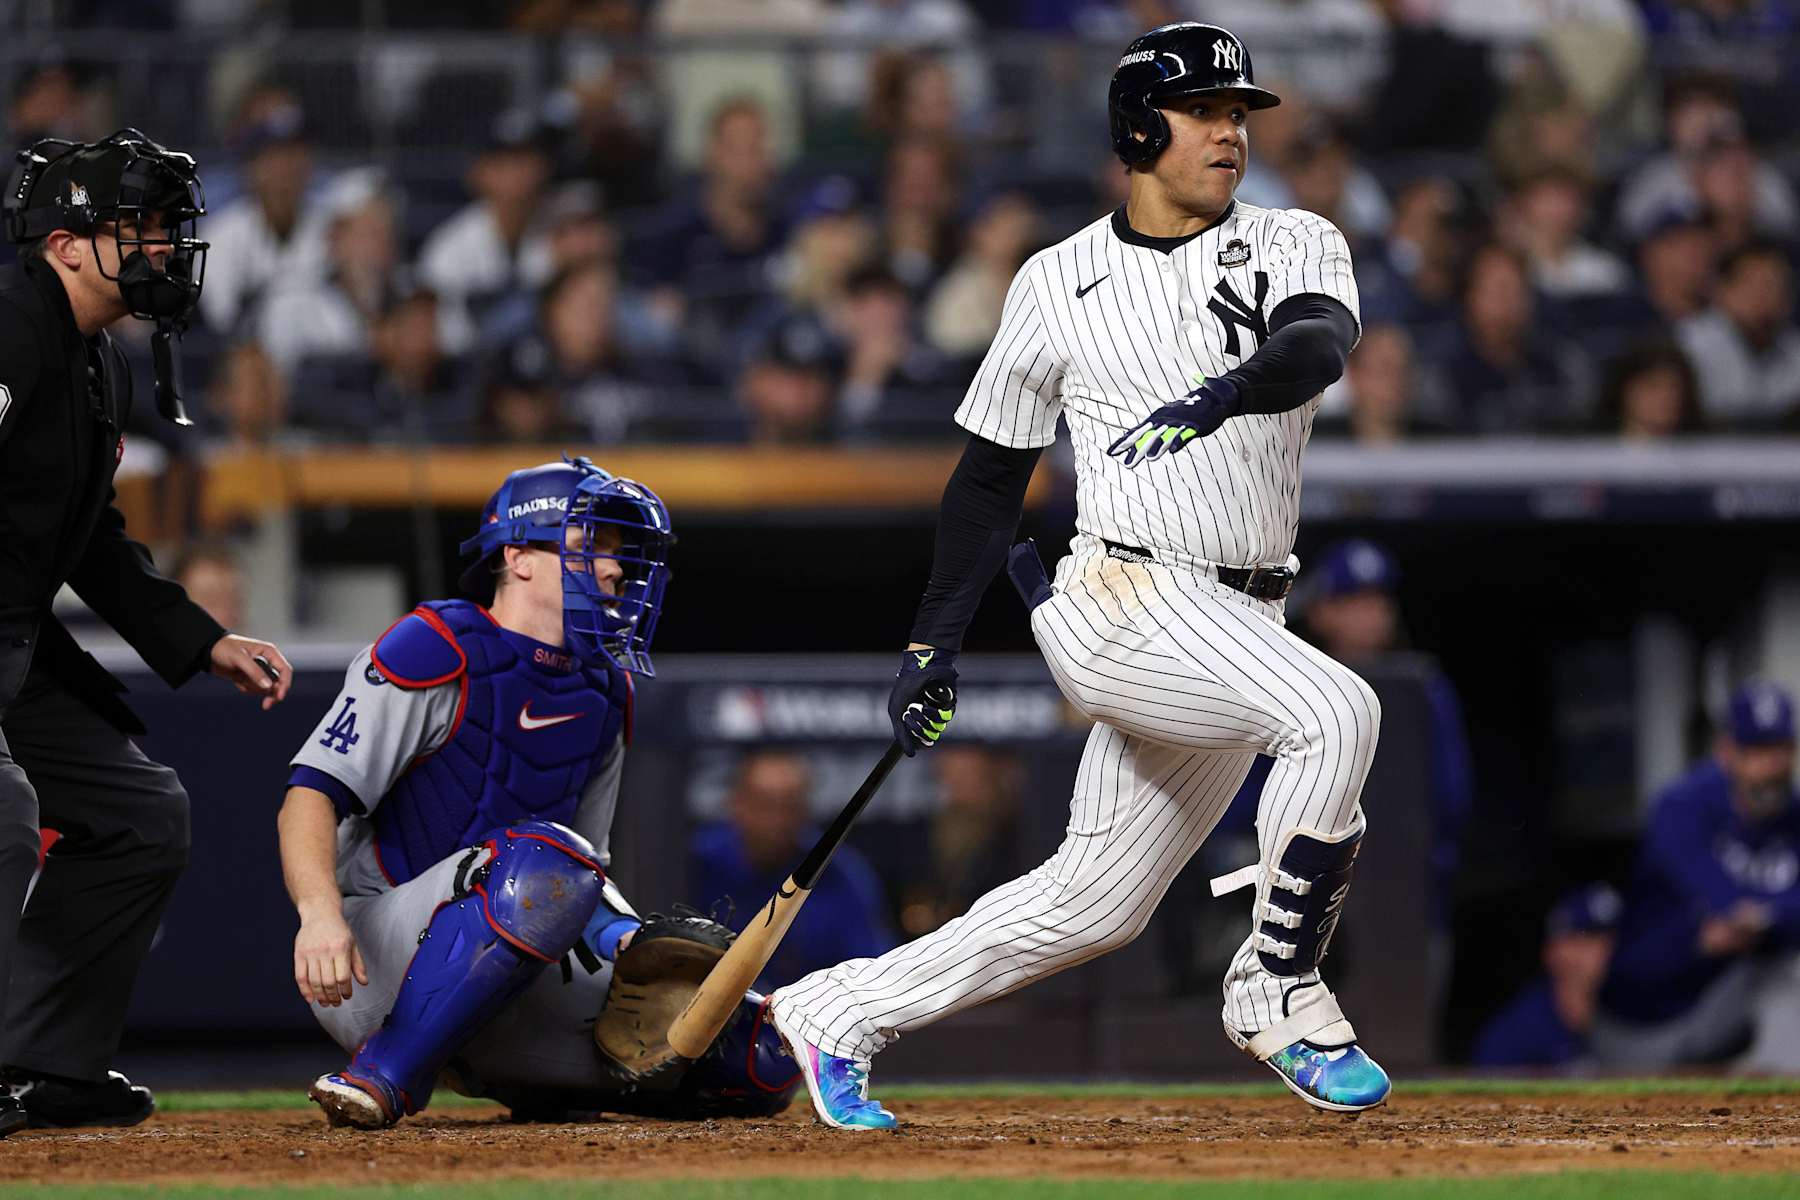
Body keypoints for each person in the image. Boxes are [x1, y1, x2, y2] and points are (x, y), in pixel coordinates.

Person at [768, 22, 1388, 1130]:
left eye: (1238, 114)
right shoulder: (1056, 281)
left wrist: (1227, 392)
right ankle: (1276, 988)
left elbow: (1315, 348)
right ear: (1139, 128)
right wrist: (931, 644)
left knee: (1089, 904)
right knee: (1337, 712)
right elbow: (987, 482)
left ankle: (833, 1012)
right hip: (1124, 599)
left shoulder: (1297, 239)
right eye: (1204, 112)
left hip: (1244, 608)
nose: (1228, 133)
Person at [277, 458, 798, 1128]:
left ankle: (547, 1083)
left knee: (758, 1052)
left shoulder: (606, 690)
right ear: (518, 556)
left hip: (515, 965)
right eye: (590, 548)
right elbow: (310, 794)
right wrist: (318, 915)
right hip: (373, 956)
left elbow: (587, 873)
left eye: (618, 554)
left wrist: (626, 942)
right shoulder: (435, 648)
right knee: (540, 859)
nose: (614, 571)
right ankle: (383, 1076)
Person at [0, 128, 292, 1135]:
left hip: (17, 643)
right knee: (0, 812)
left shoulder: (93, 360)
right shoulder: (8, 325)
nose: (164, 247)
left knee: (141, 816)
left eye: (167, 228)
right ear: (66, 243)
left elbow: (92, 541)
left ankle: (43, 1065)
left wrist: (200, 636)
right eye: (141, 227)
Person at [1594, 682, 1800, 1072]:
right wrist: (1775, 912)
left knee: (1780, 979)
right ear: (1727, 753)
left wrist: (1764, 917)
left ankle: (1787, 1116)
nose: (1771, 767)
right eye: (1755, 752)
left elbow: (1744, 921)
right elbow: (1726, 904)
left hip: (1716, 1015)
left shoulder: (1794, 819)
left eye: (1780, 750)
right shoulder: (1681, 807)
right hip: (1637, 1022)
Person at [690, 751, 895, 992]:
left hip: (815, 1015)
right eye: (765, 805)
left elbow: (875, 970)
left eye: (790, 806)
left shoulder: (840, 872)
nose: (778, 820)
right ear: (737, 804)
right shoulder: (699, 864)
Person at [1472, 883, 1621, 1070]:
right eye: (1589, 938)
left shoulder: (1634, 1017)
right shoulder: (1517, 1034)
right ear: (1553, 952)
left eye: (1614, 939)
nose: (1608, 950)